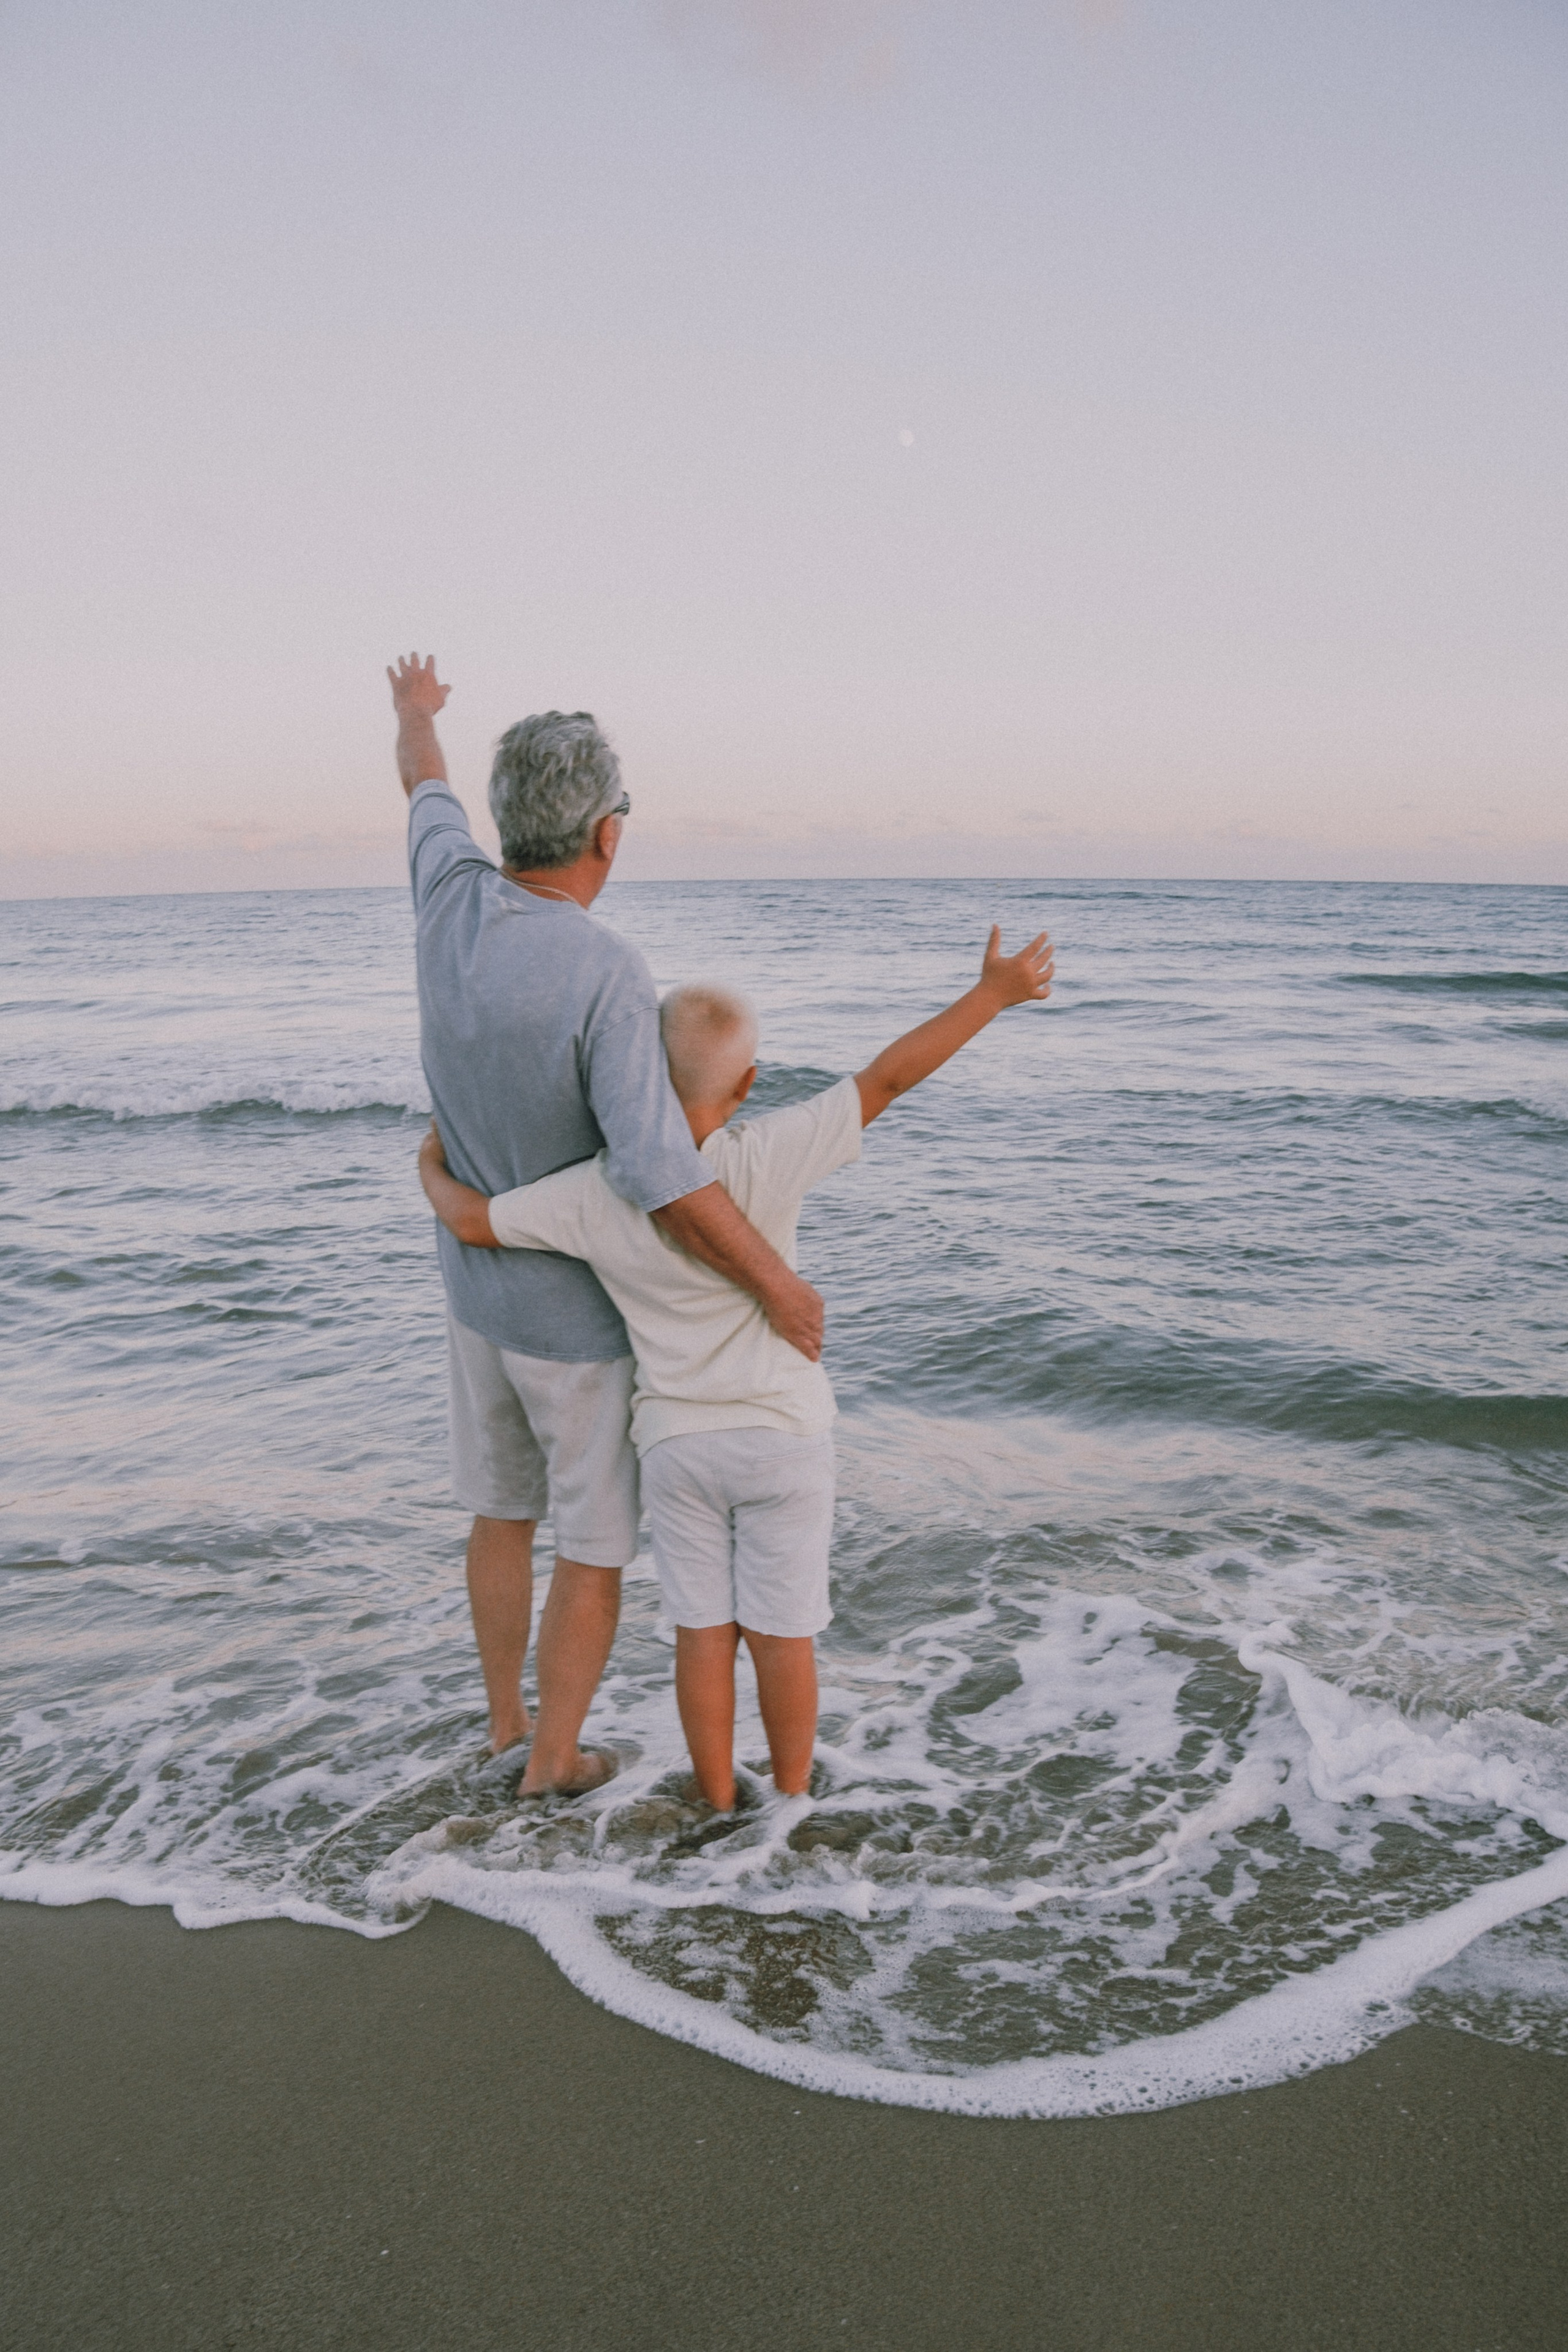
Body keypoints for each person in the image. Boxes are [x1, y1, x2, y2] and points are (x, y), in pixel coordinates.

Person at [417, 924, 1055, 1812]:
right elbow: (888, 1079)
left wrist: (430, 1163)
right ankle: (789, 1805)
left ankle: (717, 1803)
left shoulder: (595, 1188)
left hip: (678, 1446)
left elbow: (474, 1223)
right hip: (783, 1440)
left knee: (703, 1636)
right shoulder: (769, 1153)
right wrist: (992, 994)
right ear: (748, 1084)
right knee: (784, 1638)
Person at [389, 654, 825, 1796]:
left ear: (505, 820)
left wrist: (415, 711)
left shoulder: (446, 896)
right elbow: (658, 1172)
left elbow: (423, 779)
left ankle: (506, 1723)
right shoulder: (606, 971)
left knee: (499, 1514)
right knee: (591, 1548)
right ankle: (552, 1762)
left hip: (472, 1296)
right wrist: (775, 1284)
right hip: (575, 1331)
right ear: (607, 834)